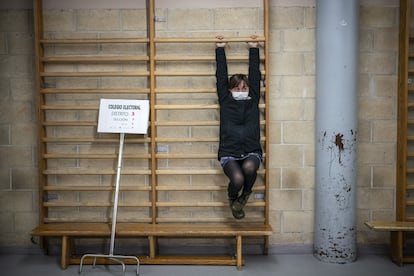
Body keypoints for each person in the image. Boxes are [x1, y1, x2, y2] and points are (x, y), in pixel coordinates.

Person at [215, 35, 263, 219]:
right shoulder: (225, 100)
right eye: (237, 88)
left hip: (251, 150)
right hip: (229, 151)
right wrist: (220, 49)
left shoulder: (253, 99)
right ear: (229, 90)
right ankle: (233, 197)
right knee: (237, 179)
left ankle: (245, 196)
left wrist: (254, 48)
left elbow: (255, 74)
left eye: (244, 88)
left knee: (250, 168)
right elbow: (220, 76)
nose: (241, 91)